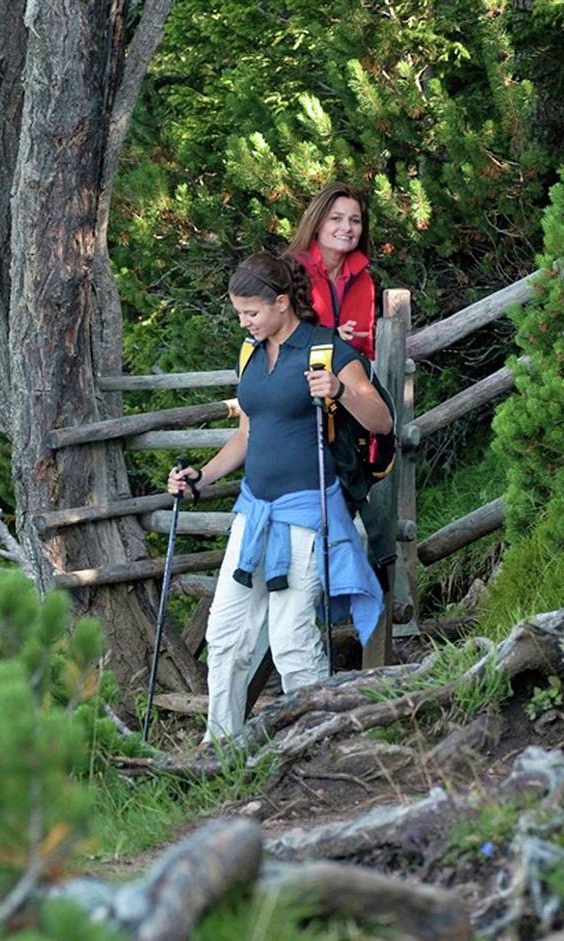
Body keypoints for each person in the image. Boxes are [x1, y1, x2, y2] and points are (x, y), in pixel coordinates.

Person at [167, 252, 391, 743]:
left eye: (251, 312)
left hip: (307, 514)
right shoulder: (251, 353)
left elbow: (381, 420)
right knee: (224, 636)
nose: (244, 322)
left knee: (292, 639)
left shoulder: (325, 351)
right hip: (254, 512)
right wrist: (201, 477)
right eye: (239, 313)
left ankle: (314, 742)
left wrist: (338, 390)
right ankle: (219, 747)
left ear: (283, 302)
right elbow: (248, 436)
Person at [286, 182, 377, 360]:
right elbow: (278, 338)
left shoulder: (363, 280)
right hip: (297, 380)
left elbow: (366, 349)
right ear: (317, 223)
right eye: (336, 218)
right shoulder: (290, 270)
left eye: (355, 221)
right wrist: (331, 337)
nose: (347, 228)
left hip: (348, 381)